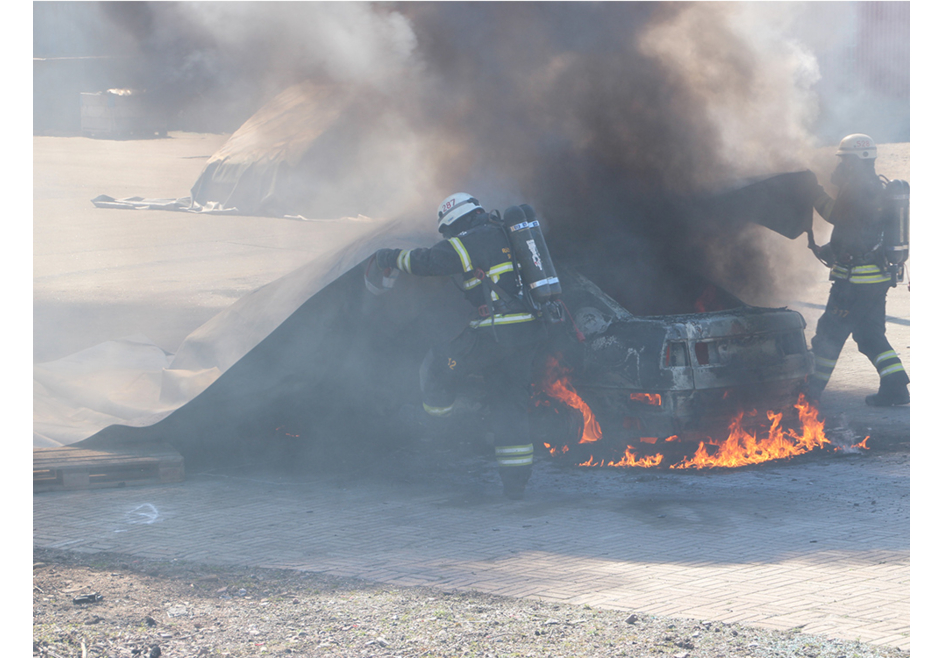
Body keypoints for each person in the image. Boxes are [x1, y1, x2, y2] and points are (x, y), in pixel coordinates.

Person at [373, 193, 547, 499]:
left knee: (439, 364)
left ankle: (439, 426)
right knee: (510, 408)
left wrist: (389, 257)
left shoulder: (473, 237)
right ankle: (515, 486)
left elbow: (427, 261)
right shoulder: (503, 233)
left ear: (453, 221)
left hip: (497, 332)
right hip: (525, 332)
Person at [805, 134, 909, 407]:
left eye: (843, 160)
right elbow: (858, 228)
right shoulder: (876, 186)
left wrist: (814, 192)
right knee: (868, 334)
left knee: (829, 335)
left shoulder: (856, 188)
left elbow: (835, 214)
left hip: (854, 283)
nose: (839, 166)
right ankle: (895, 386)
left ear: (854, 161)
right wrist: (834, 247)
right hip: (877, 279)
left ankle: (809, 392)